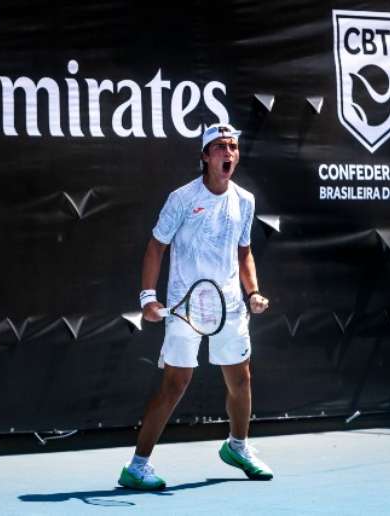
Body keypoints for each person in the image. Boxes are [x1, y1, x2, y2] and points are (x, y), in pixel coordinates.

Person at [118, 123, 272, 490]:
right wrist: (148, 298)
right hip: (186, 306)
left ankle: (238, 447)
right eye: (220, 147)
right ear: (205, 156)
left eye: (233, 147)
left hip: (230, 305)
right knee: (176, 383)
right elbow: (156, 247)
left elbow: (244, 251)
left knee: (241, 379)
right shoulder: (182, 199)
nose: (228, 153)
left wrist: (253, 293)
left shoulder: (245, 201)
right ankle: (137, 467)